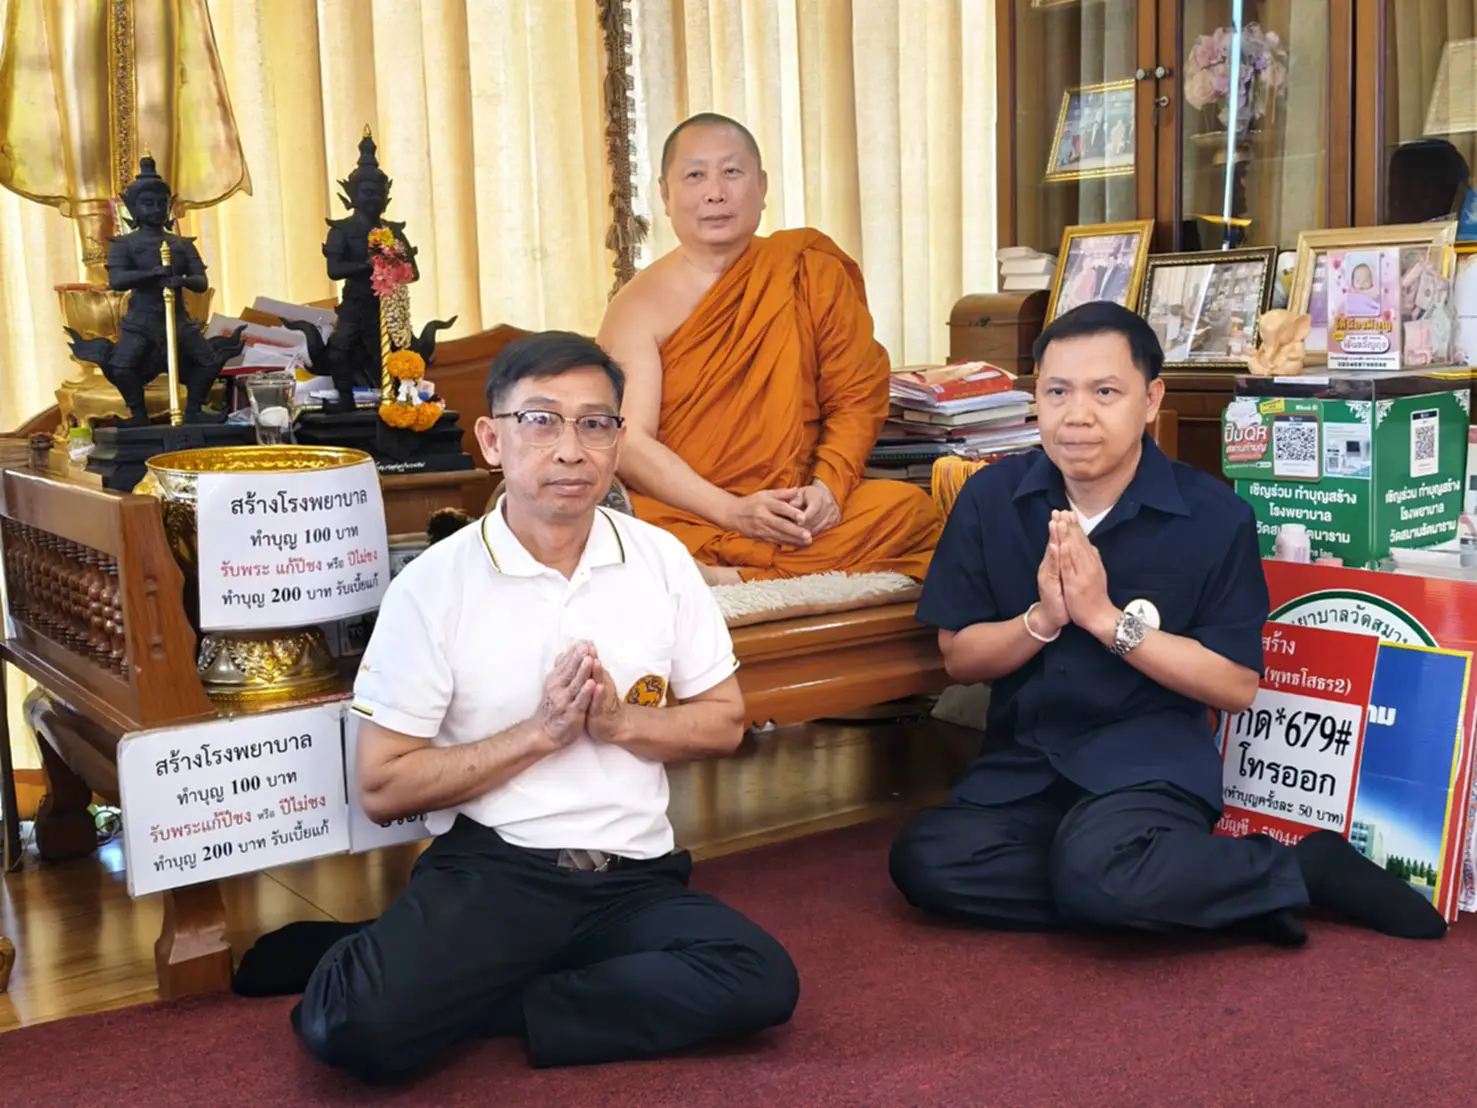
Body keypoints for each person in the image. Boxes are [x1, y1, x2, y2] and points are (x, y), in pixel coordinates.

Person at [293, 331, 800, 1082]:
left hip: (632, 876)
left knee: (758, 979)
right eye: (541, 420)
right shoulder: (433, 585)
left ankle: (497, 999)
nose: (570, 450)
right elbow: (382, 785)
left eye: (594, 424)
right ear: (491, 440)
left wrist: (621, 723)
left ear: (618, 441)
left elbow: (725, 722)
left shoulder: (660, 560)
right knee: (352, 1027)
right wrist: (541, 733)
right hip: (496, 871)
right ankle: (430, 966)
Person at [888, 301, 1447, 946]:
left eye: (1105, 392)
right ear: (1035, 399)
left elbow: (1235, 686)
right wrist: (1042, 619)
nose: (1077, 415)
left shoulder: (1213, 516)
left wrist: (1104, 620)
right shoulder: (991, 499)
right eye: (1057, 392)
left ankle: (1291, 870)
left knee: (1101, 872)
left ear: (1151, 399)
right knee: (926, 861)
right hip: (1025, 766)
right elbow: (959, 657)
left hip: (1147, 770)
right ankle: (1182, 887)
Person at [597, 112, 942, 585]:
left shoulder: (808, 270)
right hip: (690, 508)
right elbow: (631, 441)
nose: (715, 192)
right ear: (665, 194)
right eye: (695, 175)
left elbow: (855, 398)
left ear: (761, 186)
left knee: (908, 512)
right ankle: (735, 570)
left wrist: (827, 490)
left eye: (731, 172)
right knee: (627, 533)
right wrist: (733, 511)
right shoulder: (636, 306)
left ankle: (728, 577)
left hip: (796, 506)